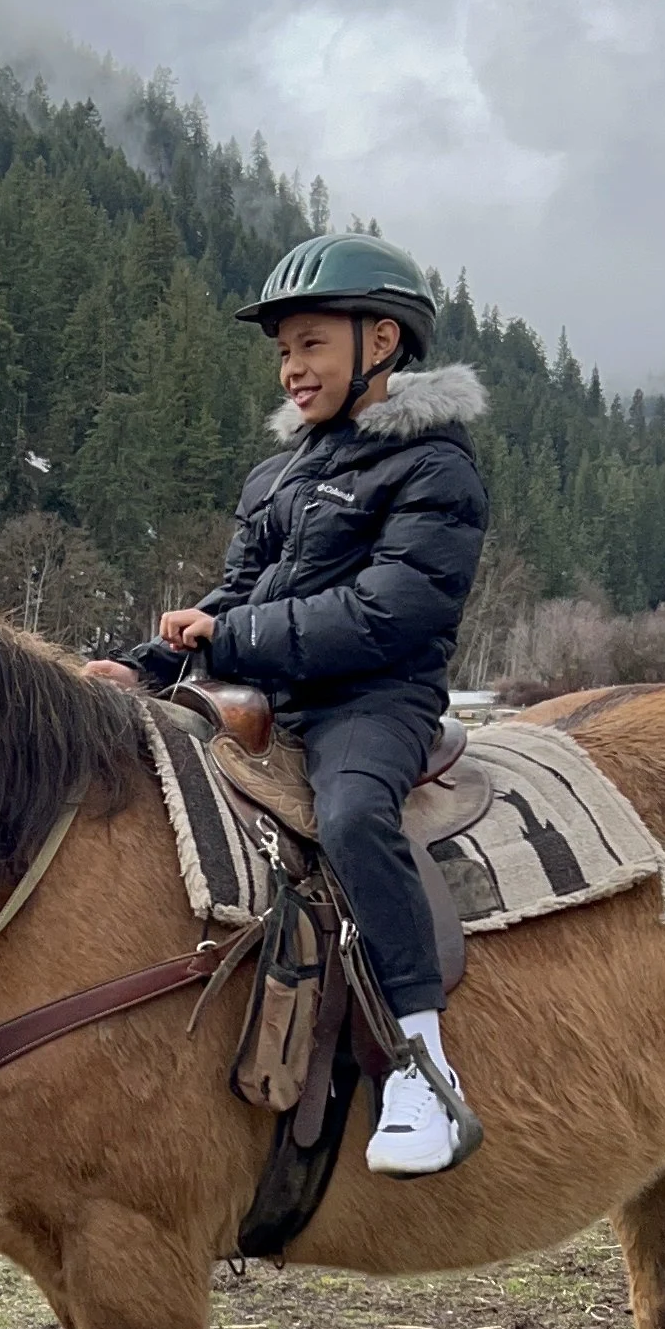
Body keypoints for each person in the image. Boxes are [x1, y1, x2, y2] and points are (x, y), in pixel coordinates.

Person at [144, 233, 489, 1174]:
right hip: (263, 692)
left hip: (374, 698)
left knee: (349, 815)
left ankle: (421, 1061)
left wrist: (232, 639)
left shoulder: (435, 469)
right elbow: (233, 593)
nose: (293, 369)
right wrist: (144, 665)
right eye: (284, 351)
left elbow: (388, 613)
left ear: (381, 342)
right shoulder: (277, 475)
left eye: (312, 346)